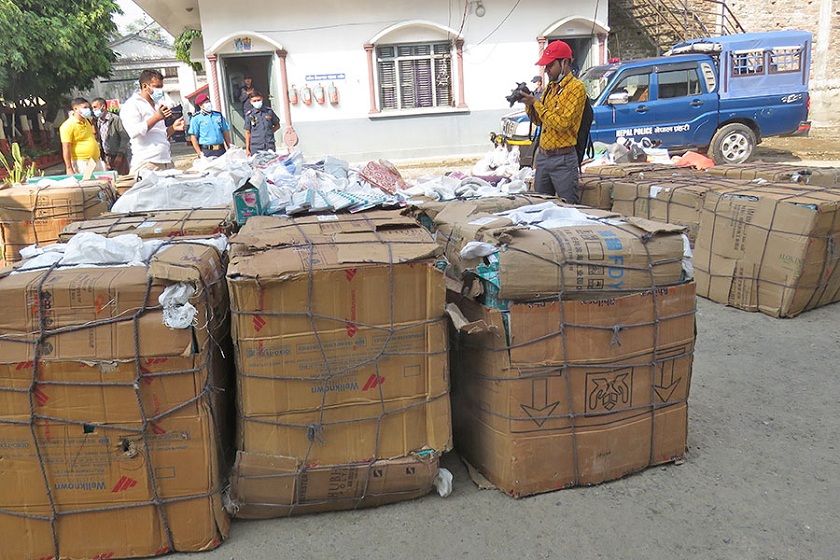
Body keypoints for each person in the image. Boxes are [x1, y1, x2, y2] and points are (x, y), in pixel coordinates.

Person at [519, 40, 587, 204]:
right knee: (540, 206)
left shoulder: (576, 88)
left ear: (564, 63)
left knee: (568, 208)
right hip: (543, 157)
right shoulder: (550, 87)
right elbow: (540, 121)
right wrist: (530, 104)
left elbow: (562, 123)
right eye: (546, 66)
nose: (547, 70)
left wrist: (536, 103)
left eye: (550, 66)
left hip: (563, 159)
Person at [120, 69, 186, 175]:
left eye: (161, 87)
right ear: (145, 86)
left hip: (165, 161)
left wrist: (173, 128)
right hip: (147, 163)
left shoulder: (157, 104)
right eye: (156, 87)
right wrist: (156, 118)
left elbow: (160, 134)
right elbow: (134, 132)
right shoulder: (132, 105)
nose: (159, 91)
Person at [59, 97, 104, 175]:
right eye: (85, 107)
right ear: (75, 109)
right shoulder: (67, 126)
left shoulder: (87, 121)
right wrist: (69, 168)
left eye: (88, 107)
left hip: (95, 160)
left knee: (101, 184)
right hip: (82, 162)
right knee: (88, 184)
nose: (88, 110)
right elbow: (66, 148)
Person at [91, 98, 130, 175]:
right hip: (107, 157)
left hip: (118, 155)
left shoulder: (114, 119)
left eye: (95, 107)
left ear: (103, 107)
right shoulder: (98, 122)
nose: (93, 110)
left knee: (122, 179)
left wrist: (120, 154)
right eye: (92, 108)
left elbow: (124, 137)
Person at [188, 93, 231, 158]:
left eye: (209, 102)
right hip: (207, 151)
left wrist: (229, 147)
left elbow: (225, 132)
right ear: (200, 105)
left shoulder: (218, 115)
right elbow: (193, 137)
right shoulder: (196, 118)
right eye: (205, 102)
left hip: (221, 150)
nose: (208, 104)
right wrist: (199, 153)